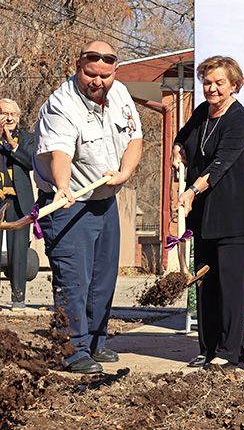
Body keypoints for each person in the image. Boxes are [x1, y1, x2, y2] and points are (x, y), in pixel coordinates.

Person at [34, 41, 143, 374]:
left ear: (115, 71)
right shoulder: (61, 104)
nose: (97, 81)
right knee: (73, 281)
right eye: (90, 73)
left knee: (103, 280)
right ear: (77, 66)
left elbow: (134, 139)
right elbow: (60, 154)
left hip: (104, 201)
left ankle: (95, 342)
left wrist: (124, 174)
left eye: (104, 75)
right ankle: (71, 349)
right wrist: (63, 187)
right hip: (69, 204)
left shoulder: (121, 93)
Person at [173, 56, 244, 370]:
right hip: (204, 218)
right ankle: (207, 348)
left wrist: (191, 191)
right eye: (207, 82)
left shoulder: (239, 119)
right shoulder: (201, 113)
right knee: (205, 286)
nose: (211, 88)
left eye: (218, 82)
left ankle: (229, 352)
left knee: (231, 289)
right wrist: (176, 150)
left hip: (234, 217)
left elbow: (220, 164)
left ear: (233, 84)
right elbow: (183, 137)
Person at [0, 99, 35, 311]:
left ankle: (18, 298)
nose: (10, 118)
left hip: (18, 202)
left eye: (14, 114)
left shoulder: (28, 139)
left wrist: (12, 144)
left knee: (19, 252)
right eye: (4, 113)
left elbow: (33, 163)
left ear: (19, 117)